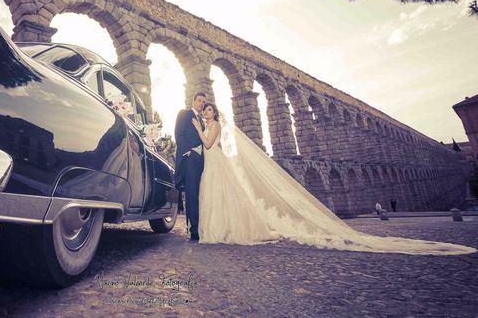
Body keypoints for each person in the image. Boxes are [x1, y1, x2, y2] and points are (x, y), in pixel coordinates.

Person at [190, 102, 476, 255]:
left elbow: (209, 143)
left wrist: (198, 128)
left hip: (214, 161)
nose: (206, 112)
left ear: (214, 112)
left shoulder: (212, 126)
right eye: (204, 111)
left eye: (209, 109)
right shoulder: (212, 122)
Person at [174, 92, 206, 241]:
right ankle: (194, 230)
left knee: (201, 193)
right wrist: (187, 153)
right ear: (193, 101)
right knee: (192, 193)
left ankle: (202, 225)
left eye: (203, 102)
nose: (201, 103)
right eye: (199, 100)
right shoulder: (185, 113)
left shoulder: (203, 120)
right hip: (191, 158)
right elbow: (178, 134)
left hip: (202, 160)